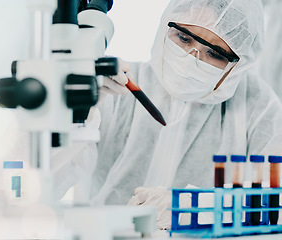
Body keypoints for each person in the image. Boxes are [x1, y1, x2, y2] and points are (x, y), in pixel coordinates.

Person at [52, 0, 282, 229]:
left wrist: (197, 208)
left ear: (238, 65)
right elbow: (43, 184)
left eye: (214, 53)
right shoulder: (115, 89)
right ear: (165, 27)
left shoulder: (257, 106)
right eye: (183, 38)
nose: (191, 57)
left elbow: (276, 202)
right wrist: (77, 115)